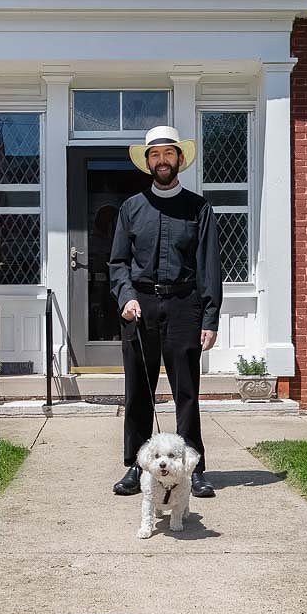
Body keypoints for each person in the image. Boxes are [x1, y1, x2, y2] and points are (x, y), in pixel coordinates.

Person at [108, 125, 223, 499]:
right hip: (140, 307)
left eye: (168, 154)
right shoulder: (131, 208)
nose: (162, 161)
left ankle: (195, 468)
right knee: (138, 392)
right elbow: (118, 262)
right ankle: (134, 467)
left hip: (184, 305)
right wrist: (125, 296)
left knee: (186, 393)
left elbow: (209, 267)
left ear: (180, 159)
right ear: (147, 162)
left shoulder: (199, 208)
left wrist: (209, 318)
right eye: (155, 155)